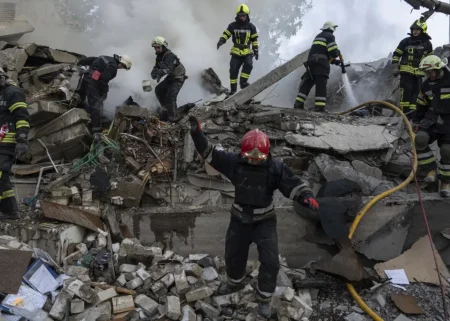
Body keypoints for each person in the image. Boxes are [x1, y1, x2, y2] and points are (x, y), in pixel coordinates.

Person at [188, 116, 318, 319]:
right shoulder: (233, 162)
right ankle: (234, 282)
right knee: (233, 254)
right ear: (242, 153)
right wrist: (197, 134)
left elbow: (292, 183)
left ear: (267, 155)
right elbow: (209, 153)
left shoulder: (275, 168)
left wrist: (305, 196)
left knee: (271, 261)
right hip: (239, 219)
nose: (254, 160)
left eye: (259, 158)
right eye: (250, 157)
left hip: (264, 221)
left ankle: (264, 298)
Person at [413, 55, 450, 197]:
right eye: (427, 73)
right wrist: (416, 121)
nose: (429, 75)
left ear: (439, 68)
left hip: (449, 121)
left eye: (431, 72)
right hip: (432, 118)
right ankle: (431, 169)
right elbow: (421, 105)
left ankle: (446, 182)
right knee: (420, 139)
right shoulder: (426, 85)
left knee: (447, 151)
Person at [70, 54, 132, 133]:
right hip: (93, 81)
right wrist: (104, 93)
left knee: (81, 95)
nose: (121, 68)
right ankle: (96, 131)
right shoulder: (113, 67)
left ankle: (74, 108)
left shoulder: (105, 57)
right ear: (122, 63)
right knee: (97, 106)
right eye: (123, 66)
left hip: (85, 77)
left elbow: (90, 59)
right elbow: (104, 80)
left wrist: (80, 62)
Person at [0, 68, 30, 220]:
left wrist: (22, 138)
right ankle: (8, 210)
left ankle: (10, 211)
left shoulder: (13, 93)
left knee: (0, 173)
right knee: (2, 175)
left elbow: (22, 116)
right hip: (0, 141)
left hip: (8, 142)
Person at [294, 21, 341, 112]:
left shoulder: (318, 36)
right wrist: (337, 52)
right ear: (331, 28)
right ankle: (319, 108)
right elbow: (333, 52)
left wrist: (335, 62)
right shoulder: (330, 36)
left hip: (312, 63)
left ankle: (298, 104)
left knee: (307, 84)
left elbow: (322, 53)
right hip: (321, 65)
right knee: (321, 86)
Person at [392, 18, 433, 117]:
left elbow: (430, 58)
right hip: (406, 73)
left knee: (415, 96)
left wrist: (430, 72)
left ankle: (411, 117)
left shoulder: (428, 44)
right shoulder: (406, 41)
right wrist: (395, 66)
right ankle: (403, 117)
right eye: (413, 29)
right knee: (406, 95)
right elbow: (396, 54)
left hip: (419, 74)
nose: (415, 31)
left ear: (423, 30)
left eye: (417, 29)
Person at [217, 4, 259, 95]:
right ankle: (233, 90)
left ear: (247, 15)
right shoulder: (232, 25)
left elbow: (254, 40)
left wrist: (256, 50)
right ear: (238, 16)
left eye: (243, 15)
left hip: (247, 51)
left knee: (248, 64)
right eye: (240, 15)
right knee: (233, 69)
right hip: (236, 50)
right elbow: (226, 34)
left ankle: (243, 83)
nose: (242, 17)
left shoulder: (251, 27)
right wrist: (221, 41)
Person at [151, 36, 187, 123]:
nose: (156, 50)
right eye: (155, 48)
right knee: (159, 90)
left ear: (163, 46)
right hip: (171, 78)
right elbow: (157, 67)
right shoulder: (159, 56)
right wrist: (154, 73)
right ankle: (166, 110)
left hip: (178, 78)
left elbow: (168, 69)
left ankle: (174, 118)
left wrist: (160, 73)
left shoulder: (170, 56)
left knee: (170, 97)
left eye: (158, 47)